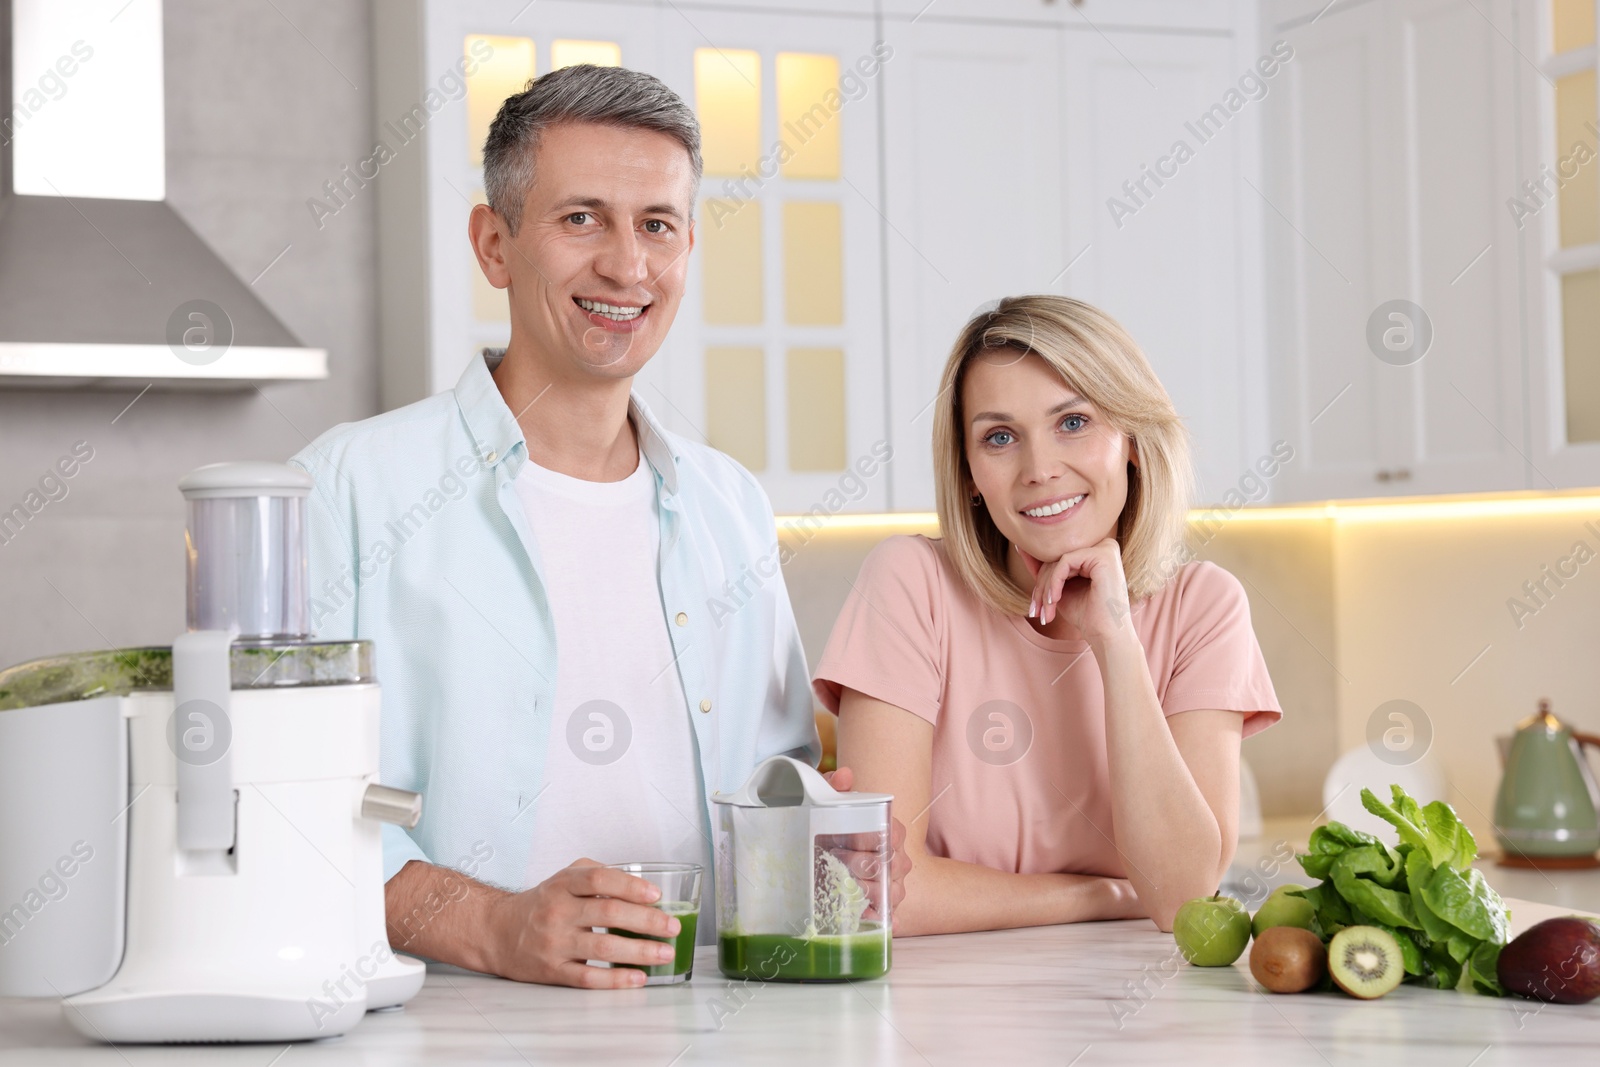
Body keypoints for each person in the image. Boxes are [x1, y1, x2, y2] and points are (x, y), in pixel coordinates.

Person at [290, 64, 904, 989]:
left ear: (688, 248)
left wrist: (822, 833)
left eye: (657, 225)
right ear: (494, 245)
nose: (626, 265)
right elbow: (280, 804)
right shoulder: (347, 489)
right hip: (447, 1031)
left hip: (704, 1021)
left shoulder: (728, 506)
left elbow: (777, 777)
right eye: (582, 218)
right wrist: (492, 926)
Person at [813, 295, 1280, 935]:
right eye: (1000, 437)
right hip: (947, 1010)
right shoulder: (910, 584)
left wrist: (1115, 640)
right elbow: (885, 892)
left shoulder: (1204, 607)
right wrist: (1106, 898)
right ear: (971, 474)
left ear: (1133, 443)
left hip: (1143, 1012)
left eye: (1074, 423)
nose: (1040, 470)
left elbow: (1183, 898)